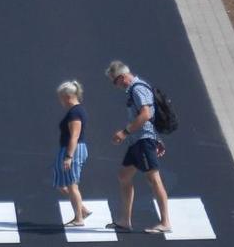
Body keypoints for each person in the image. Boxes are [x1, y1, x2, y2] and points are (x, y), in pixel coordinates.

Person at [105, 60, 171, 234]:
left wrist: (125, 132)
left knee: (154, 179)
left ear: (123, 76)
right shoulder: (134, 89)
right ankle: (125, 220)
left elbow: (146, 114)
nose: (116, 85)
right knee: (124, 175)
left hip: (142, 140)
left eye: (115, 81)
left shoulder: (138, 89)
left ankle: (165, 222)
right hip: (138, 140)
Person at [53, 81, 90, 226]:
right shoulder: (74, 112)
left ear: (68, 96)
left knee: (72, 185)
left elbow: (74, 136)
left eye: (61, 97)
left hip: (73, 150)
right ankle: (83, 210)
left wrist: (69, 156)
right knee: (62, 184)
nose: (60, 101)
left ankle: (79, 218)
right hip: (68, 149)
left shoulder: (75, 112)